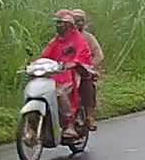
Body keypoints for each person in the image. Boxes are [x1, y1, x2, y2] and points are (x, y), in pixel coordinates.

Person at [39, 9, 92, 139]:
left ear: (68, 25)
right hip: (56, 72)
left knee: (61, 92)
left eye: (61, 23)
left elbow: (83, 54)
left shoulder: (78, 39)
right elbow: (45, 55)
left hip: (72, 73)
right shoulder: (56, 41)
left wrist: (74, 63)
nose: (58, 26)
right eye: (57, 23)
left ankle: (69, 124)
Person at [70, 9, 103, 130]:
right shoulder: (63, 38)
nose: (78, 23)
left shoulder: (88, 38)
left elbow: (98, 55)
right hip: (65, 71)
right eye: (76, 21)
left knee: (87, 84)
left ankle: (89, 116)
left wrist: (90, 66)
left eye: (81, 21)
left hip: (83, 70)